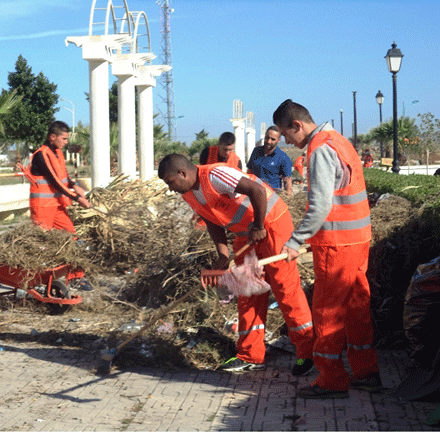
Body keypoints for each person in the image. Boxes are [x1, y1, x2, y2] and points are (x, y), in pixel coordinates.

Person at [158, 154, 315, 374]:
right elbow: (212, 221)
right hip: (246, 235)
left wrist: (259, 226)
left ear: (182, 173)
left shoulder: (215, 175)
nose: (170, 188)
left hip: (272, 225)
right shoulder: (188, 194)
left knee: (285, 289)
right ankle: (251, 355)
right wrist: (222, 255)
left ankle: (308, 352)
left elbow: (257, 191)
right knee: (248, 292)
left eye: (170, 182)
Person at [273, 100, 381, 399]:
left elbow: (320, 205)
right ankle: (367, 372)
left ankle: (331, 379)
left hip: (337, 244)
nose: (286, 141)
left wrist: (296, 241)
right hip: (358, 240)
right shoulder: (339, 140)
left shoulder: (320, 148)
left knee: (327, 312)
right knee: (357, 307)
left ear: (297, 125)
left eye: (285, 134)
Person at [21, 121, 90, 233]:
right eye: (64, 139)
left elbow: (64, 175)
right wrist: (77, 198)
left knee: (71, 235)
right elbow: (55, 181)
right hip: (42, 207)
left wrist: (74, 185)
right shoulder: (41, 154)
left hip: (57, 204)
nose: (66, 142)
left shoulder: (58, 152)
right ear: (53, 137)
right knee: (42, 241)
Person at [247, 126, 293, 195]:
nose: (268, 141)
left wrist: (288, 201)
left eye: (273, 139)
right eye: (267, 137)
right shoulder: (256, 151)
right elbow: (249, 173)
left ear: (279, 140)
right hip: (253, 195)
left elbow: (288, 182)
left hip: (272, 197)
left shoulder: (283, 158)